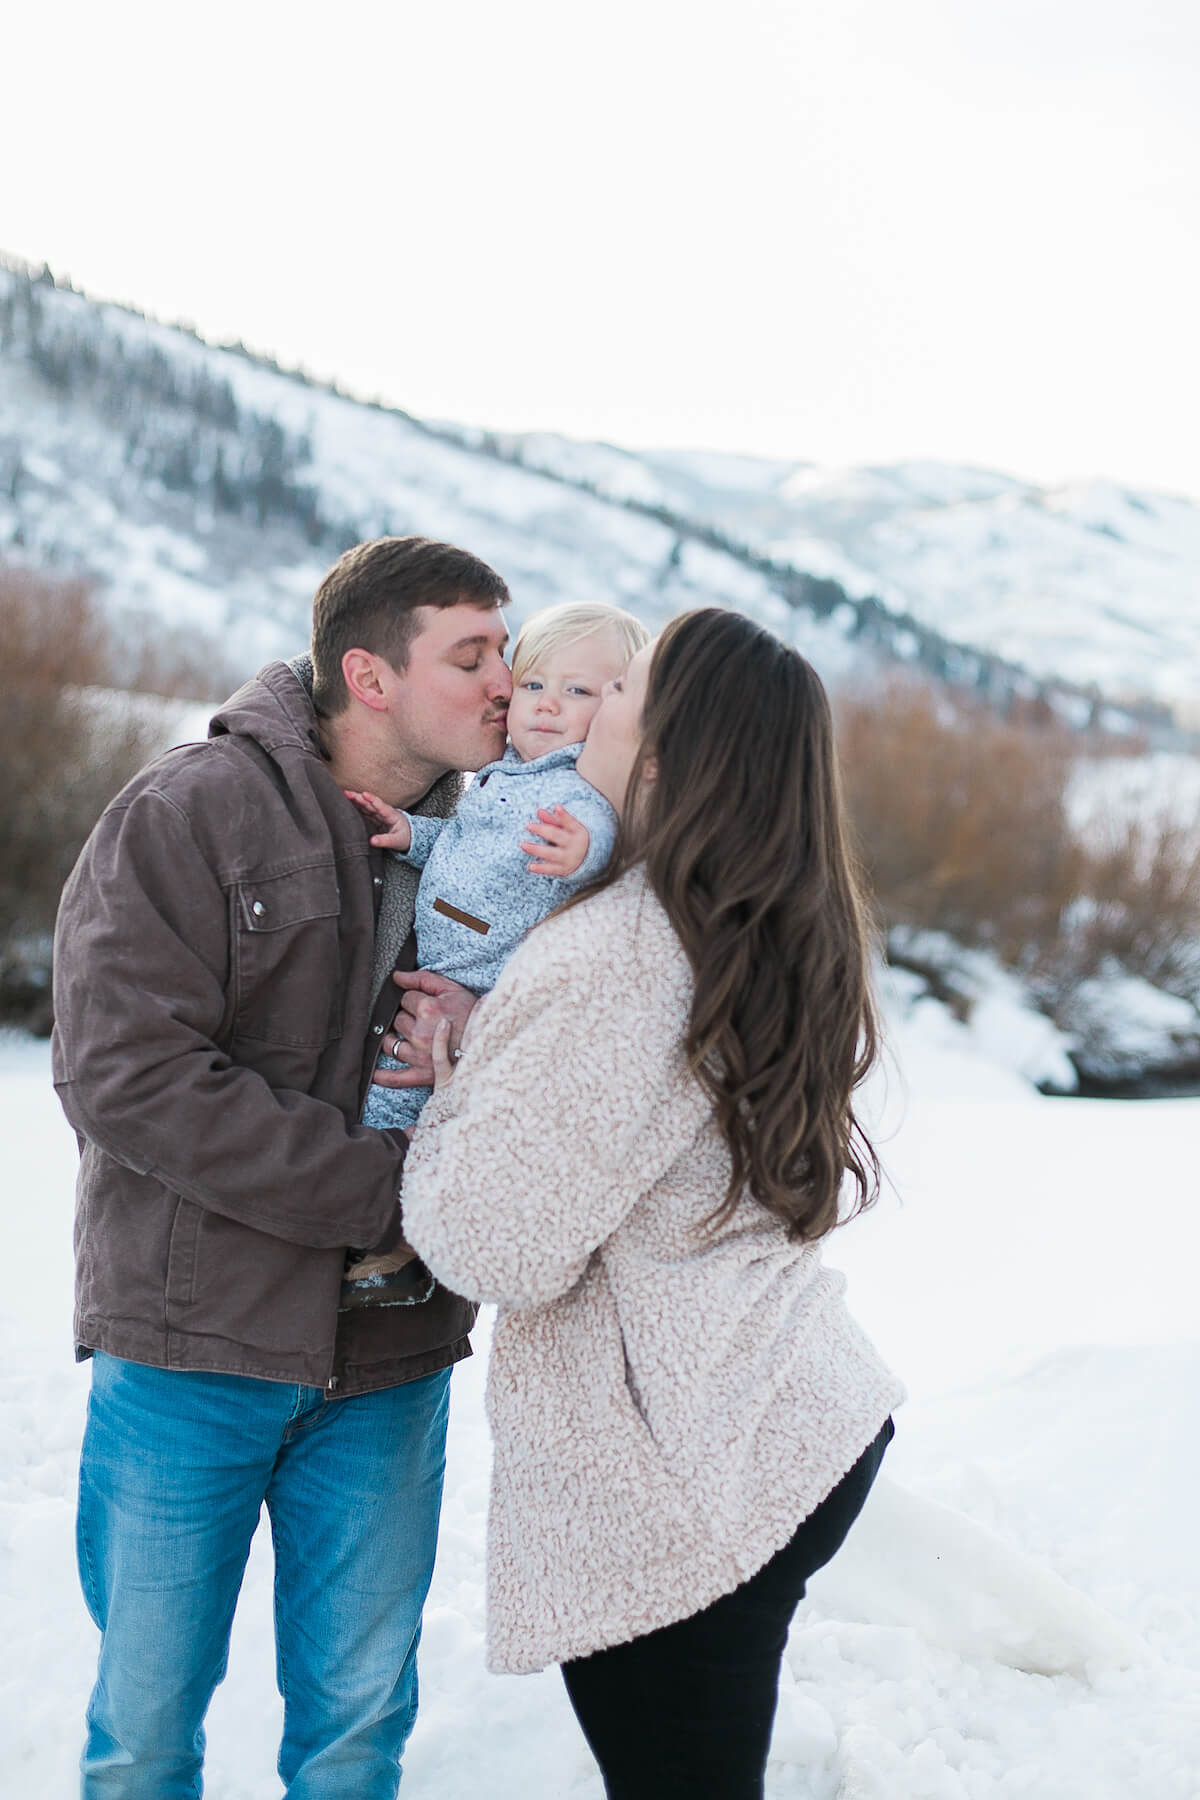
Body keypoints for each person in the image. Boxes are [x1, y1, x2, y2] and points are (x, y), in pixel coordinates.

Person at [398, 607, 906, 1800]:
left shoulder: (624, 952)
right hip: (783, 1415)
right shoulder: (751, 926)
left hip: (681, 1481)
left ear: (665, 756)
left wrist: (453, 1092)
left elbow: (494, 1246)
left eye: (619, 690)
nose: (586, 706)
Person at [51, 535, 513, 1799]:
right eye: (470, 655)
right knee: (144, 1738)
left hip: (392, 1360)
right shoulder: (191, 811)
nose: (504, 682)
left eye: (508, 651)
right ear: (370, 675)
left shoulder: (510, 847)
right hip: (191, 1350)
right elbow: (127, 1075)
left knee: (356, 1737)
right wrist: (391, 1190)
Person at [340, 601, 649, 1306]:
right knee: (394, 1101)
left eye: (577, 691)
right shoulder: (500, 774)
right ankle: (390, 1235)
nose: (547, 705)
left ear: (616, 708)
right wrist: (410, 834)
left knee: (418, 1107)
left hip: (491, 979)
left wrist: (584, 851)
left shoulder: (581, 784)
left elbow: (605, 837)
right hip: (447, 966)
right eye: (534, 685)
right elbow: (464, 844)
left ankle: (402, 1243)